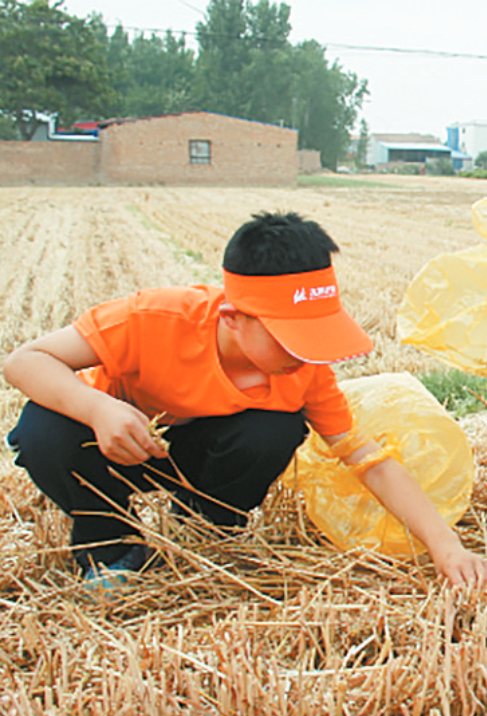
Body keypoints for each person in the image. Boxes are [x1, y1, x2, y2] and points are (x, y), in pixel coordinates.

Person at [3, 212, 487, 589]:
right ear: (233, 318)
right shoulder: (153, 318)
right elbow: (25, 361)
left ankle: (206, 525)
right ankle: (112, 547)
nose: (301, 355)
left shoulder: (305, 371)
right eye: (288, 338)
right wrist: (98, 409)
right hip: (113, 451)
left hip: (195, 460)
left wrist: (446, 547)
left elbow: (369, 459)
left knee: (274, 429)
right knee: (43, 431)